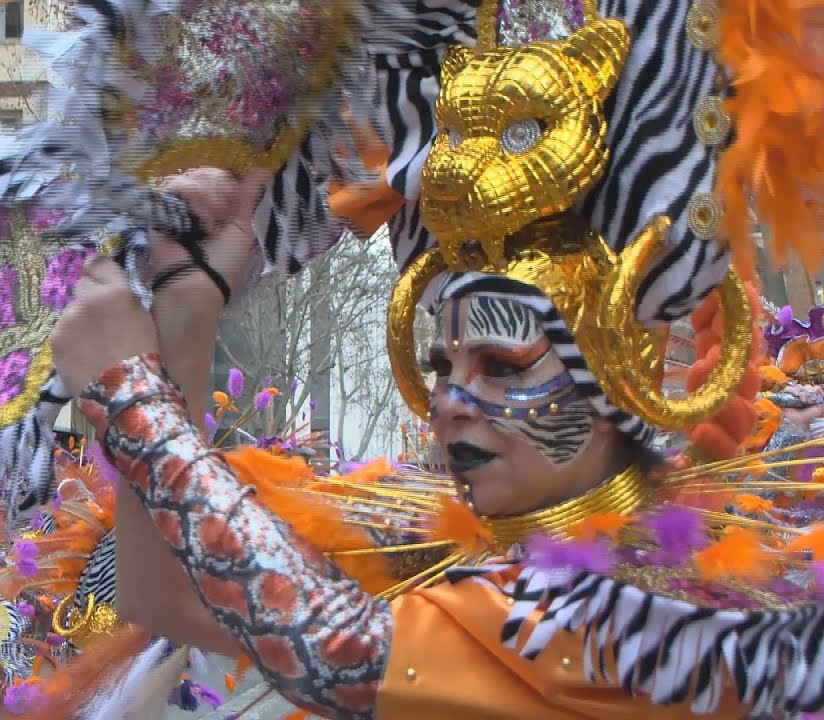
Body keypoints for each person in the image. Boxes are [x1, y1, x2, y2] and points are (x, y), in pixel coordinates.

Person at [42, 1, 824, 718]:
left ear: (615, 370)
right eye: (444, 366)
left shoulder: (659, 607)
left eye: (505, 364)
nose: (453, 399)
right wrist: (187, 300)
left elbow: (336, 651)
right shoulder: (449, 576)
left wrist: (127, 392)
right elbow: (166, 598)